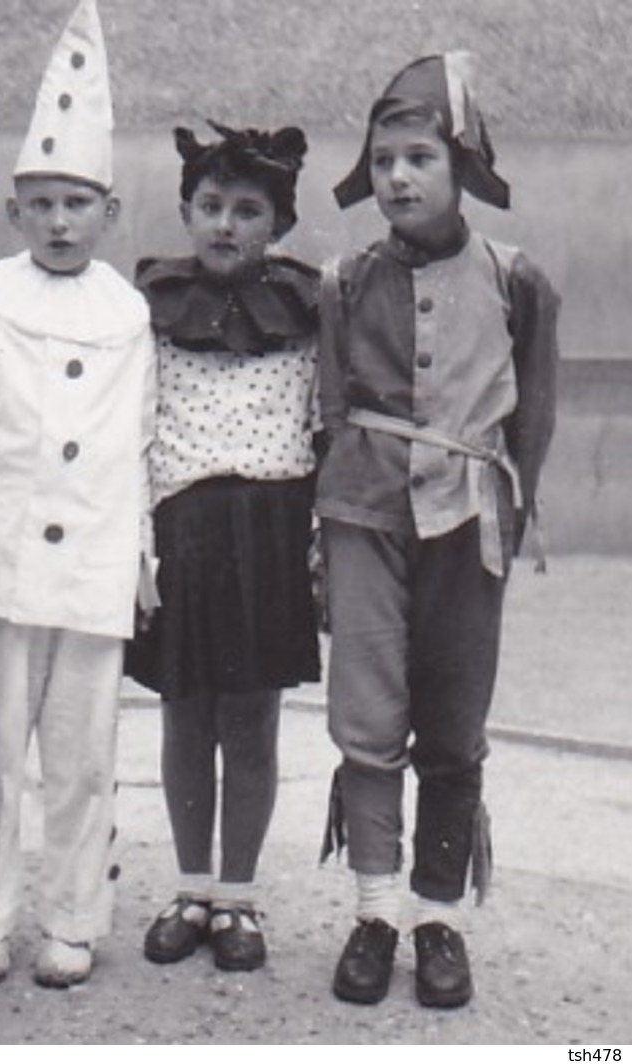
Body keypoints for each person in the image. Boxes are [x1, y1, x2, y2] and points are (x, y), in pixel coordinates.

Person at [318, 52, 559, 1009]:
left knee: (453, 724)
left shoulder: (515, 277)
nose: (398, 179)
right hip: (362, 514)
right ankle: (374, 909)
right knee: (367, 716)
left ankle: (436, 917)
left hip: (470, 519)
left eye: (419, 157)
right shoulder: (342, 280)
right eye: (382, 162)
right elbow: (332, 408)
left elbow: (531, 415)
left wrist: (507, 504)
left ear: (460, 169)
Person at [0, 0, 155, 990]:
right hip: (1, 563)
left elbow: (138, 443)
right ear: (14, 211)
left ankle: (72, 915)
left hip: (95, 570)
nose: (60, 222)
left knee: (80, 755)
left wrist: (138, 561)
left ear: (107, 213)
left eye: (78, 203)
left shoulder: (126, 311)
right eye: (41, 203)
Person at [125, 122, 321, 973]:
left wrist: (316, 547)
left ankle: (238, 897)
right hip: (182, 531)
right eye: (209, 206)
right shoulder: (153, 309)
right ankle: (190, 884)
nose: (225, 226)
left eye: (248, 211)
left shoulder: (309, 311)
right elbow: (130, 429)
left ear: (277, 225)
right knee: (184, 715)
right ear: (184, 210)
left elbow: (323, 423)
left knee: (251, 722)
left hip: (269, 531)